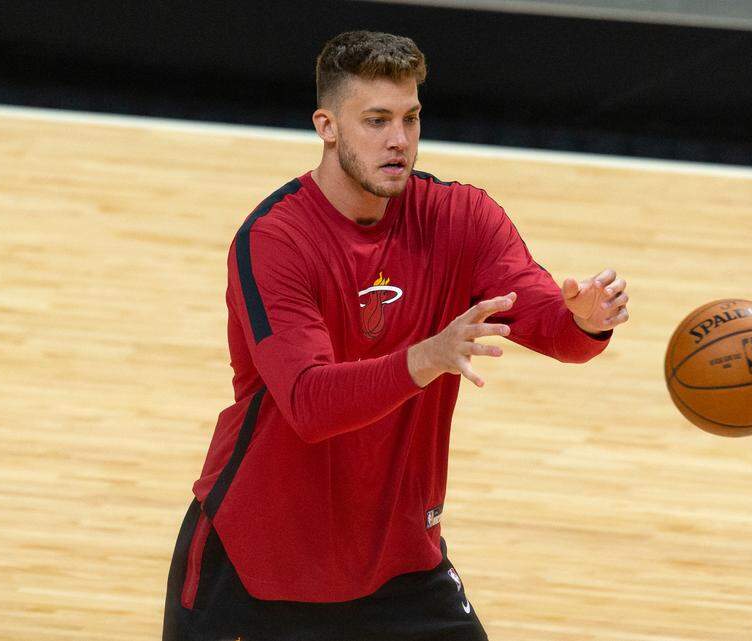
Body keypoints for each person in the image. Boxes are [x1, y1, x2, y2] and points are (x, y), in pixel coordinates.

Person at [162, 30, 630, 641]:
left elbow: (541, 316)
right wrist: (430, 355)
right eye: (376, 120)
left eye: (410, 118)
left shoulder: (460, 217)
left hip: (399, 563)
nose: (399, 141)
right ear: (327, 126)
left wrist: (584, 321)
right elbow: (309, 402)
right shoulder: (275, 241)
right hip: (258, 568)